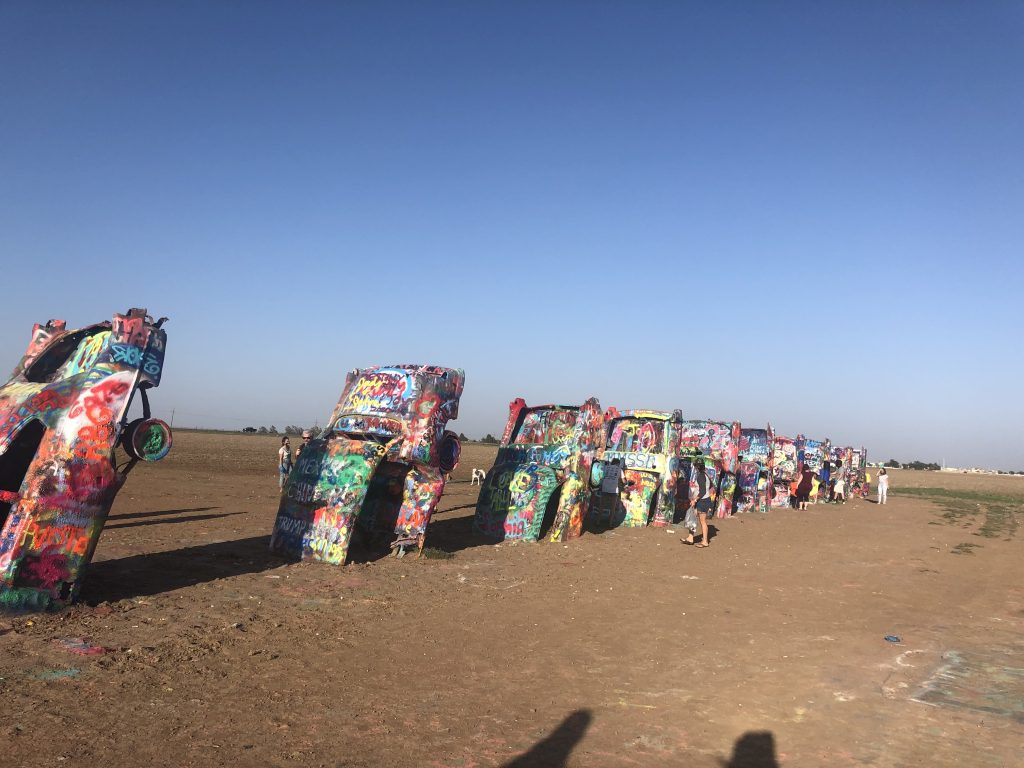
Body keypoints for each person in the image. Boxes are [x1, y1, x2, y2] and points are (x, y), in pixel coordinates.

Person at [683, 458, 713, 547]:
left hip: (702, 501)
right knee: (692, 517)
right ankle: (690, 538)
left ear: (696, 467)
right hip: (703, 500)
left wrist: (695, 500)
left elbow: (703, 491)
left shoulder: (700, 476)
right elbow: (710, 486)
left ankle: (705, 541)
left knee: (702, 521)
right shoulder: (705, 475)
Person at [597, 458, 624, 524]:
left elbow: (601, 476)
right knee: (613, 507)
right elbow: (623, 480)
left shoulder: (606, 467)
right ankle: (610, 523)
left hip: (605, 488)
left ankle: (598, 522)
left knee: (601, 506)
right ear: (618, 463)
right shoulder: (620, 469)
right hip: (613, 490)